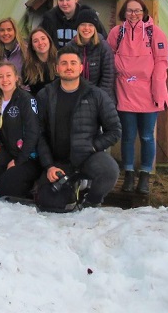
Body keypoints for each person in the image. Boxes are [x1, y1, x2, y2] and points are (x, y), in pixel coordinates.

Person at [35, 44, 121, 210]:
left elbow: (115, 130)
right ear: (57, 68)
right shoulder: (45, 95)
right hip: (58, 161)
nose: (69, 67)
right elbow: (39, 133)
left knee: (109, 170)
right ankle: (71, 185)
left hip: (87, 157)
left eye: (73, 63)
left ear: (81, 68)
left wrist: (93, 146)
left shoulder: (96, 95)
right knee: (50, 204)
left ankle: (91, 201)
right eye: (64, 63)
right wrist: (49, 166)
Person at [107, 0, 168, 196]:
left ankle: (144, 175)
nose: (133, 14)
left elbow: (161, 61)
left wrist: (158, 87)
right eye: (129, 11)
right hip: (125, 91)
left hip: (149, 93)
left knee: (146, 136)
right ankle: (129, 174)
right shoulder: (116, 33)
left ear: (143, 12)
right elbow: (108, 56)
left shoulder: (155, 33)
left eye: (137, 11)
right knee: (127, 137)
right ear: (123, 13)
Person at [0, 62, 41, 199]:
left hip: (27, 158)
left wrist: (19, 161)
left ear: (16, 78)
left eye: (8, 75)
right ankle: (4, 185)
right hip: (7, 152)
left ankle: (13, 187)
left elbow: (33, 132)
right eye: (1, 76)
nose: (5, 80)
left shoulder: (26, 99)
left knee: (7, 189)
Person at [40, 0, 107, 48]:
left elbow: (103, 38)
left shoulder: (88, 15)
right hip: (57, 57)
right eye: (61, 0)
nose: (64, 3)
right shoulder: (50, 17)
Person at [71, 8, 115, 100]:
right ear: (78, 27)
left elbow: (108, 77)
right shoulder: (70, 47)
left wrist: (98, 97)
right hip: (77, 96)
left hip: (100, 97)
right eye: (83, 24)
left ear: (95, 28)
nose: (86, 28)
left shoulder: (104, 47)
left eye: (90, 25)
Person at [0, 17, 25, 93]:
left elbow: (28, 78)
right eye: (2, 30)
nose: (6, 33)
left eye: (9, 29)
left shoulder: (24, 50)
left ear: (15, 31)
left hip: (21, 93)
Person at [22, 27, 59, 97]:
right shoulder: (27, 66)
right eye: (36, 41)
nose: (40, 43)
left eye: (43, 38)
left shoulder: (61, 60)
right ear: (32, 46)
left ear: (49, 40)